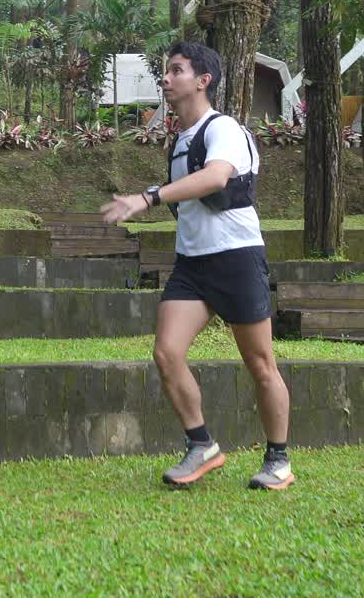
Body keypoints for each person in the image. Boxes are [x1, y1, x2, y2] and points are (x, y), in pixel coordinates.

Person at [101, 42, 294, 491]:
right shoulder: (181, 140)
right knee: (167, 352)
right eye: (166, 71)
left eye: (176, 71)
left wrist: (147, 197)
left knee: (260, 363)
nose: (166, 79)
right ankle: (201, 444)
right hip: (192, 263)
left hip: (236, 257)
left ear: (203, 80)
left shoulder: (222, 128)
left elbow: (215, 178)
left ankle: (279, 459)